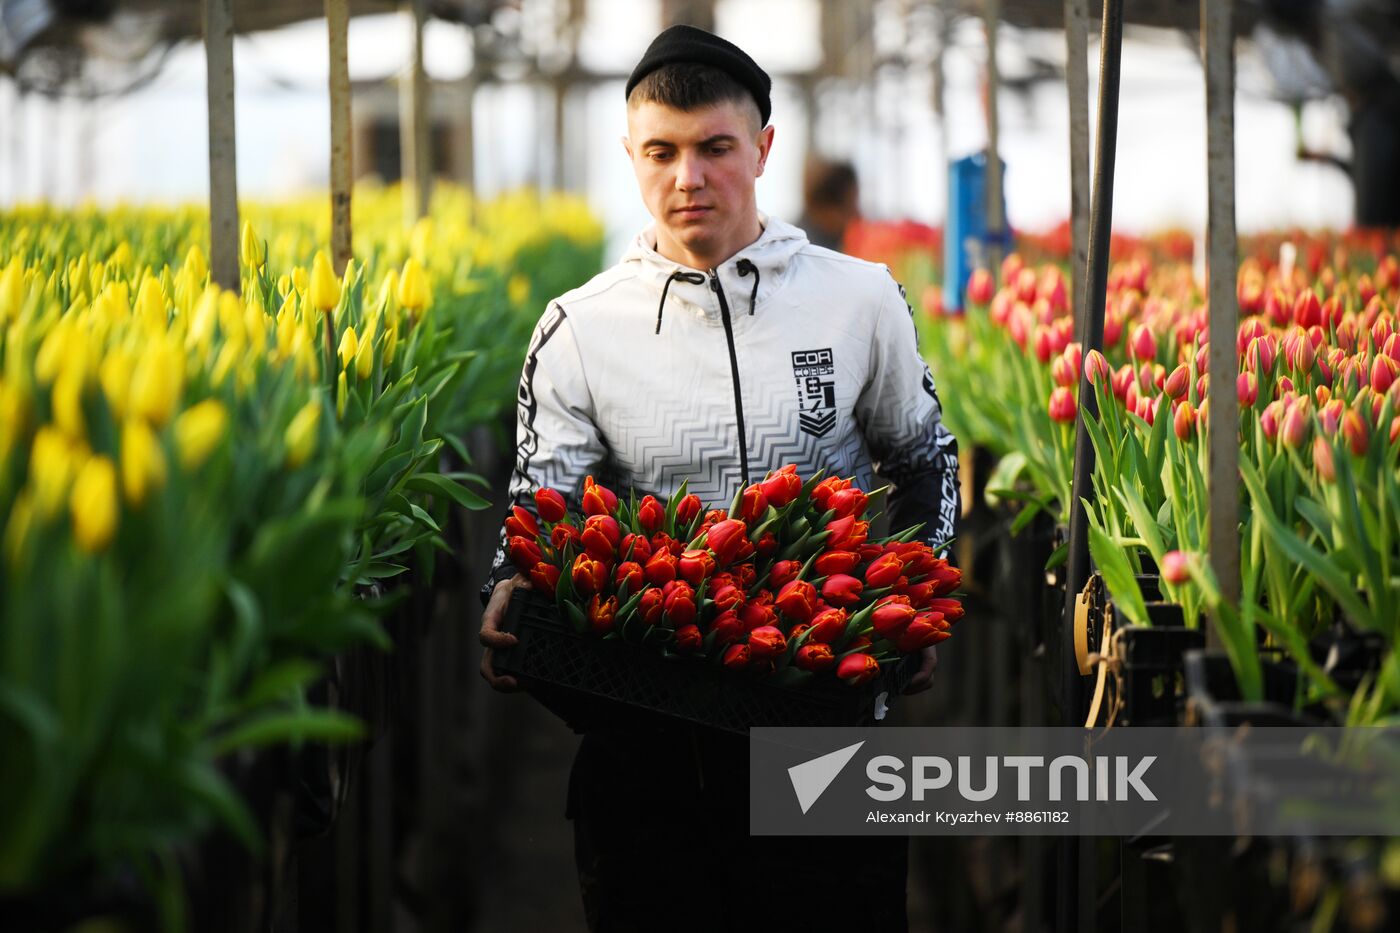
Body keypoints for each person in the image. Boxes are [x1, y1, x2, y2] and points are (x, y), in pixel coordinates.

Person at [477, 24, 959, 932]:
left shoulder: (858, 297)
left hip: (823, 717)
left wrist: (914, 594)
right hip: (643, 732)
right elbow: (541, 503)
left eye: (715, 149)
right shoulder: (579, 327)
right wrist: (506, 578)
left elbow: (923, 456)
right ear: (630, 154)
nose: (687, 178)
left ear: (765, 148)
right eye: (660, 152)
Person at [796, 157, 861, 251]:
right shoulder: (802, 251)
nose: (856, 214)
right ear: (826, 209)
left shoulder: (834, 240)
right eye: (849, 208)